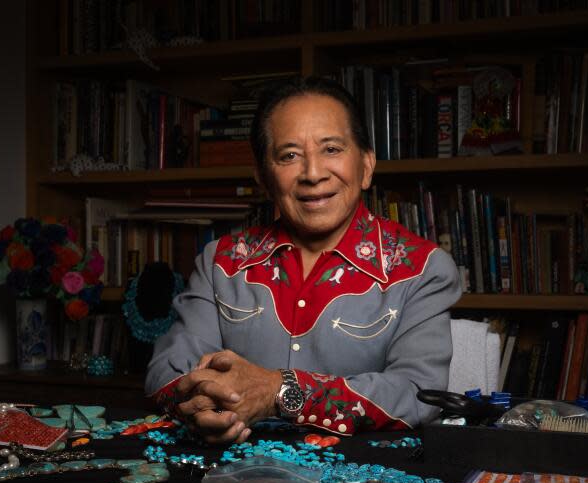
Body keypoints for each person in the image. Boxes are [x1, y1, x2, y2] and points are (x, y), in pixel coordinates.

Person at [145, 76, 461, 444]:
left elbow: (416, 394)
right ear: (264, 178)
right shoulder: (221, 262)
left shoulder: (423, 269)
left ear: (367, 166)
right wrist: (200, 408)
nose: (313, 173)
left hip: (362, 482)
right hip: (229, 473)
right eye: (289, 155)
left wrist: (279, 391)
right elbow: (165, 373)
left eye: (331, 149)